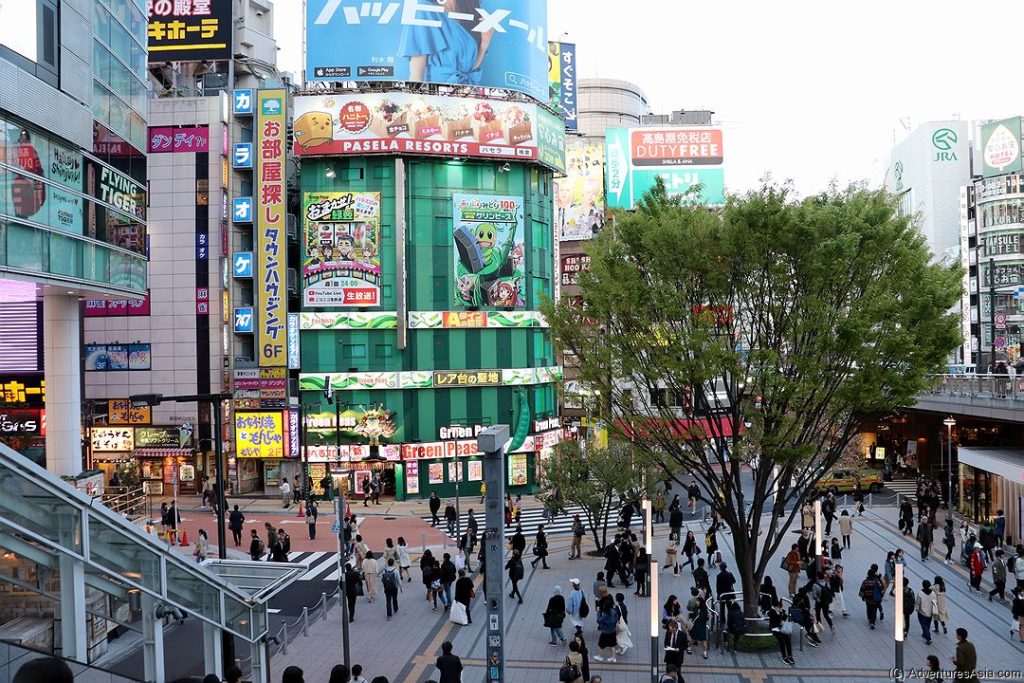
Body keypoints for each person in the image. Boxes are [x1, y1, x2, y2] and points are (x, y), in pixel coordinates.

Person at [768, 599, 795, 666]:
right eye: (779, 607)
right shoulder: (771, 612)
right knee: (782, 641)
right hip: (775, 629)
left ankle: (790, 656)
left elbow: (784, 618)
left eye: (780, 607)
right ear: (775, 607)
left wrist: (782, 613)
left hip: (781, 628)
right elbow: (774, 620)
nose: (780, 608)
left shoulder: (781, 611)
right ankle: (784, 657)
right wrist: (777, 614)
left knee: (787, 639)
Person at [593, 596, 618, 663]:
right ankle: (614, 657)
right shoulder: (614, 611)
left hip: (605, 632)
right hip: (612, 631)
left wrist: (598, 611)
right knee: (612, 644)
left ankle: (600, 656)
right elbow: (616, 619)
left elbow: (599, 620)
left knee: (601, 644)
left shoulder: (606, 614)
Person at [915, 579, 937, 645]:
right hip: (930, 611)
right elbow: (935, 602)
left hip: (922, 612)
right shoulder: (933, 593)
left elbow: (918, 602)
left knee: (924, 625)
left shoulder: (920, 593)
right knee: (928, 624)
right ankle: (925, 633)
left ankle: (928, 638)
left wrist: (917, 609)